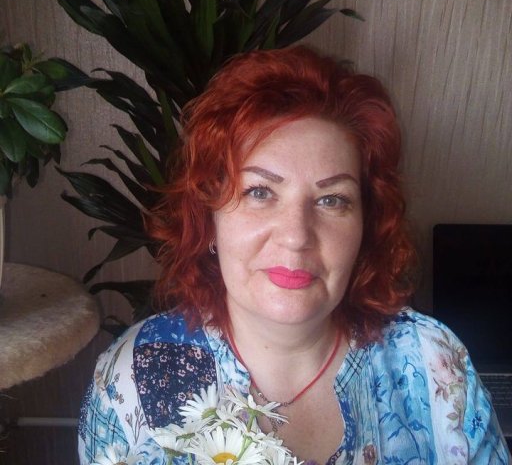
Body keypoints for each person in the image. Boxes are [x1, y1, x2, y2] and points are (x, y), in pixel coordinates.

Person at [78, 46, 510, 464]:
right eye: (260, 192)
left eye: (331, 200)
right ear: (210, 219)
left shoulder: (434, 365)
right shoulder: (129, 381)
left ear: (366, 226)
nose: (296, 237)